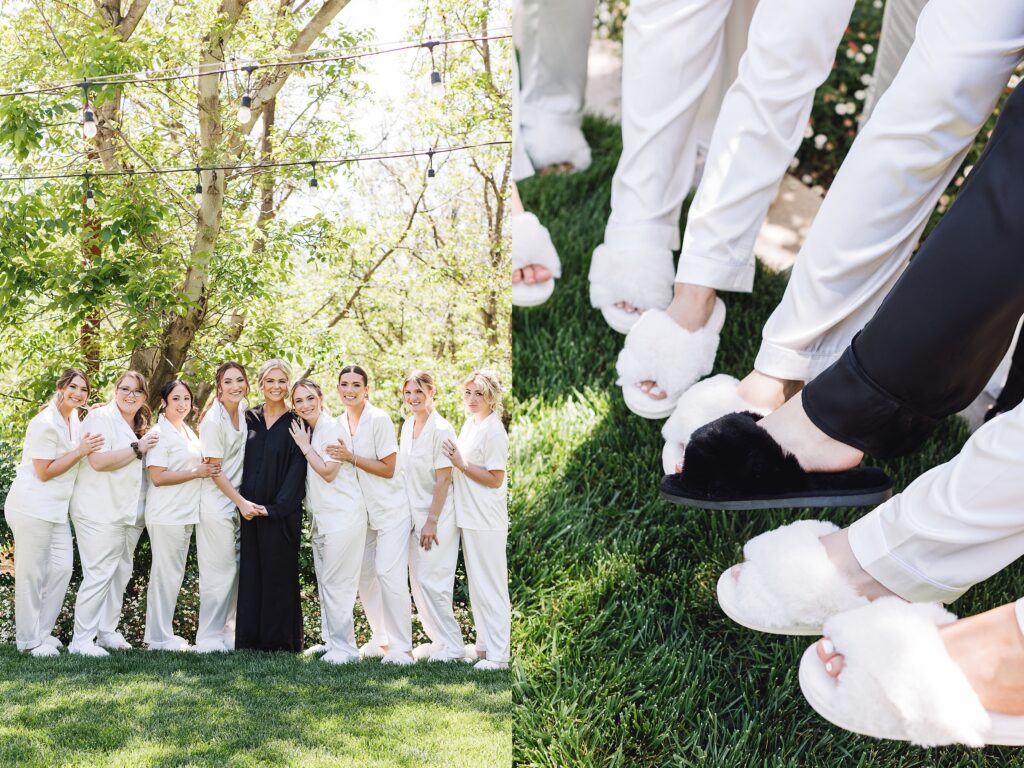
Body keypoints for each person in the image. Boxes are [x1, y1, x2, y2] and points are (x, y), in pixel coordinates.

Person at [4, 368, 102, 656]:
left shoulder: (71, 416)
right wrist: (81, 451)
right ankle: (28, 640)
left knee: (61, 568)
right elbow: (44, 472)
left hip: (56, 510)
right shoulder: (45, 423)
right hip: (32, 506)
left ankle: (42, 633)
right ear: (61, 387)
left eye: (83, 390)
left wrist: (94, 413)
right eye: (73, 387)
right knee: (31, 575)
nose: (78, 394)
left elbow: (77, 435)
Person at [326, 364, 413, 666]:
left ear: (366, 389)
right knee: (364, 576)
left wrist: (351, 457)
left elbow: (388, 468)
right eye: (344, 384)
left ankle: (404, 648)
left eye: (356, 385)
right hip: (361, 515)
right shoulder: (336, 423)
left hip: (391, 510)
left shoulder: (379, 419)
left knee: (389, 573)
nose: (349, 390)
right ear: (337, 389)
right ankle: (383, 639)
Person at [68, 370, 159, 657]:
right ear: (115, 390)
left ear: (144, 397)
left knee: (120, 572)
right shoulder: (99, 418)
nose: (130, 395)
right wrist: (137, 448)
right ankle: (81, 640)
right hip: (99, 510)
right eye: (125, 389)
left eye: (137, 391)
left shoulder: (140, 424)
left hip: (130, 513)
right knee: (98, 574)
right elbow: (97, 462)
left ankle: (106, 630)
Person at [289, 378, 367, 665]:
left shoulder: (332, 428)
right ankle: (331, 641)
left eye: (310, 398)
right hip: (323, 519)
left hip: (343, 518)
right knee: (326, 582)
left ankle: (346, 650)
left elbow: (329, 472)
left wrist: (304, 446)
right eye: (299, 401)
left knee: (338, 584)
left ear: (321, 398)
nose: (305, 404)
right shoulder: (313, 429)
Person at [235, 359, 306, 653]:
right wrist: (246, 504)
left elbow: (298, 470)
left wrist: (275, 508)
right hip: (248, 511)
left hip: (281, 514)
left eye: (281, 381)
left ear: (287, 386)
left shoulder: (296, 422)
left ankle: (280, 642)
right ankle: (251, 640)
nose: (276, 387)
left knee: (279, 576)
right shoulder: (246, 419)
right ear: (260, 384)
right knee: (251, 575)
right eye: (270, 381)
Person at [143, 379, 219, 651]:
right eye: (176, 398)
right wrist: (195, 472)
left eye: (186, 399)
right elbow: (157, 477)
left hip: (185, 513)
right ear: (164, 402)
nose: (182, 404)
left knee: (173, 575)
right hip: (166, 514)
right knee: (165, 575)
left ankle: (164, 633)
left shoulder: (186, 430)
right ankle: (158, 638)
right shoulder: (159, 433)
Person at [443, 370, 510, 671]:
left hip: (486, 518)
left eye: (478, 394)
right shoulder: (471, 423)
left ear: (491, 397)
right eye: (468, 392)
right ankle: (484, 646)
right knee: (477, 586)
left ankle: (499, 655)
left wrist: (462, 464)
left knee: (492, 587)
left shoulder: (494, 431)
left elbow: (496, 479)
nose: (471, 399)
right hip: (468, 515)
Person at [399, 371, 465, 662]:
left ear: (432, 392)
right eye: (408, 392)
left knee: (434, 580)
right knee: (417, 580)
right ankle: (438, 640)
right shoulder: (407, 424)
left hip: (438, 517)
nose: (413, 398)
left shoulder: (441, 429)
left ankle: (454, 646)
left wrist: (431, 521)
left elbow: (444, 479)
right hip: (413, 515)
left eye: (418, 392)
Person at [195, 362, 254, 653]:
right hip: (217, 504)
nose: (235, 386)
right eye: (228, 381)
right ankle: (207, 636)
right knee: (218, 572)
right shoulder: (213, 420)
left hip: (236, 503)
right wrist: (241, 502)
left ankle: (227, 632)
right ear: (219, 385)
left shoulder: (243, 413)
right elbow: (214, 469)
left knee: (236, 570)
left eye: (239, 380)